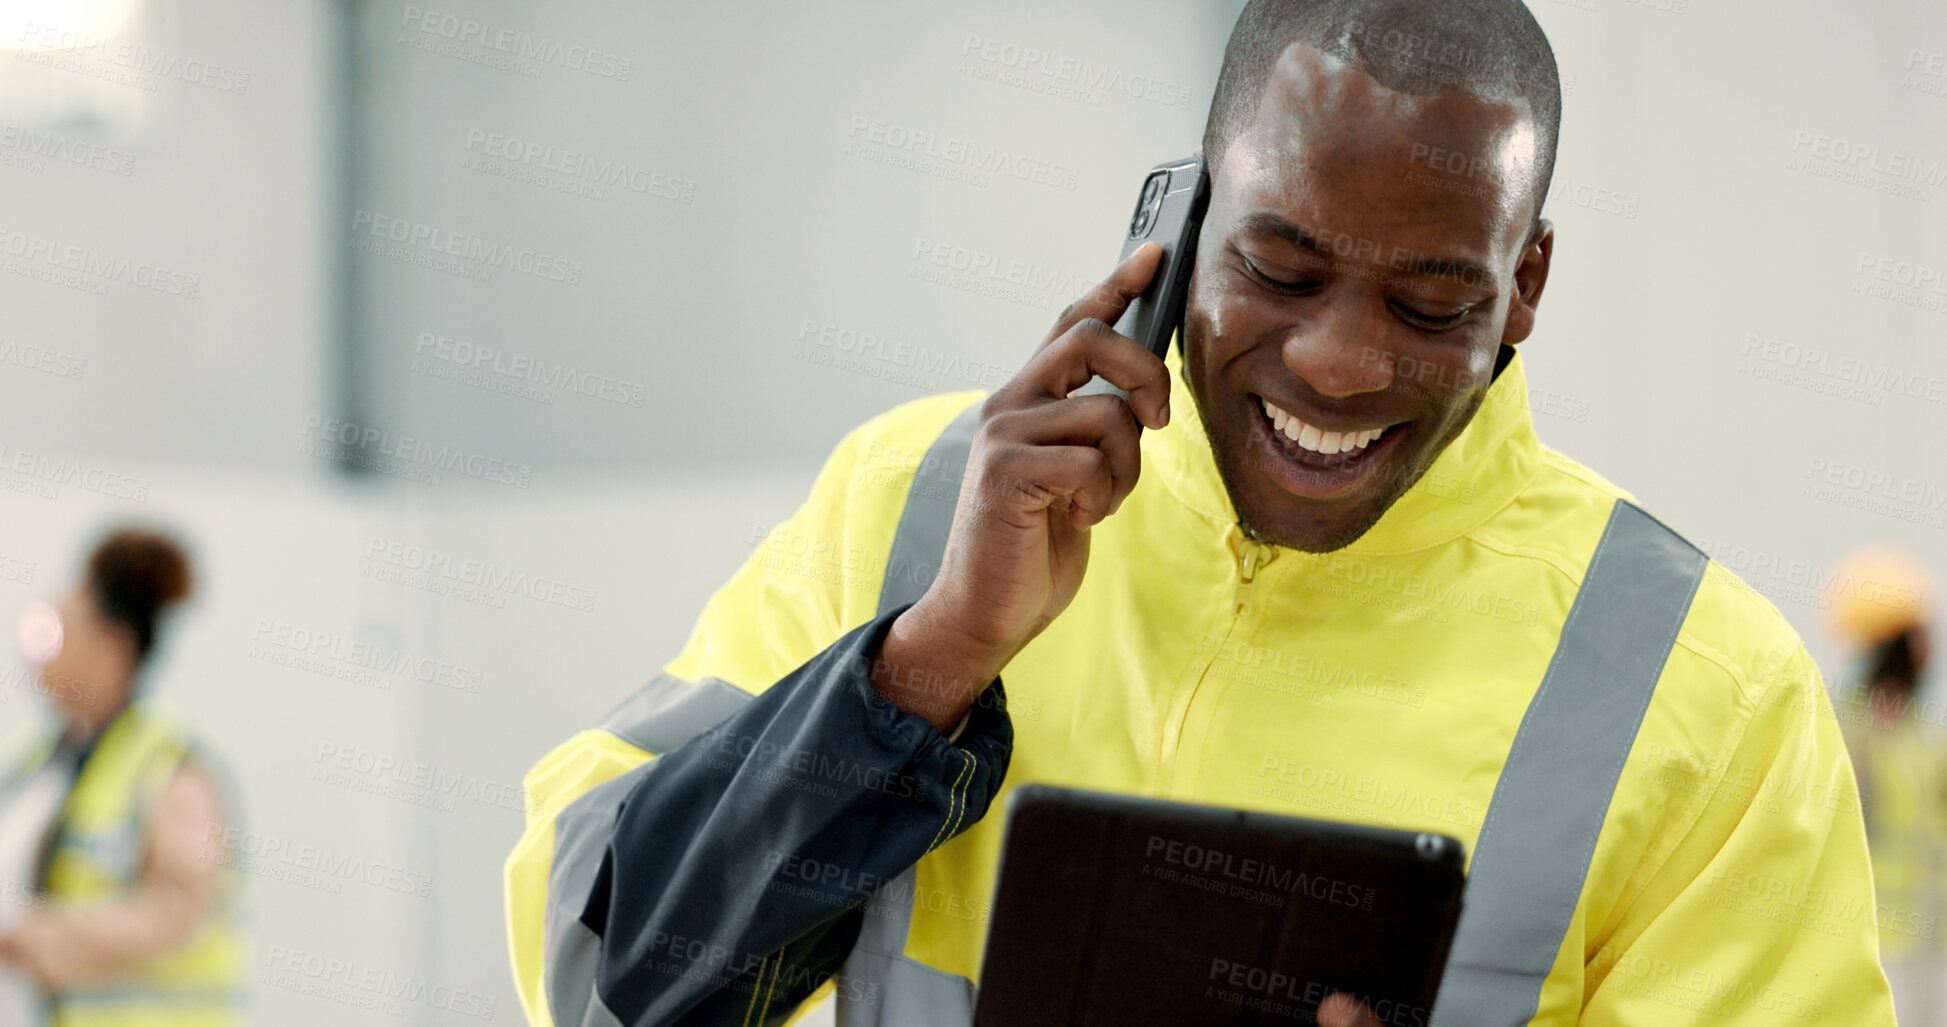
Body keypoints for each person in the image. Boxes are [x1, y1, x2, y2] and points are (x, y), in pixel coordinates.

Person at [506, 1, 1895, 1024]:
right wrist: (925, 659)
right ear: (1177, 229)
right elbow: (600, 977)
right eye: (1279, 272)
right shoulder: (911, 502)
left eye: (1429, 301)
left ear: (1522, 283)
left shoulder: (1702, 683)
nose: (1341, 362)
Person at [0, 528, 242, 1026]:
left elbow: (181, 909)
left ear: (114, 648)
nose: (40, 655)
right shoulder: (43, 761)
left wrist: (38, 939)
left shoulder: (171, 768)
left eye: (59, 634)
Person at [1829, 549, 1940, 1025]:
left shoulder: (1921, 734)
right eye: (1918, 635)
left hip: (1924, 943)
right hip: (1868, 942)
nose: (1928, 649)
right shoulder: (1847, 730)